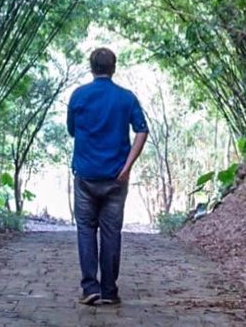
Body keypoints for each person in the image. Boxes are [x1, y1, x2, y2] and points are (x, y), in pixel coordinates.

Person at [66, 47, 148, 306]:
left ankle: (91, 288)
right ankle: (110, 291)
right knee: (112, 233)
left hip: (86, 175)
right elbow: (142, 131)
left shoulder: (79, 95)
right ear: (114, 68)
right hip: (116, 177)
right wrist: (128, 165)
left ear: (91, 67)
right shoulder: (126, 98)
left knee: (86, 231)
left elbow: (72, 130)